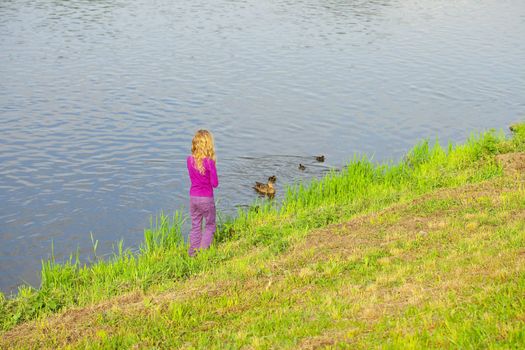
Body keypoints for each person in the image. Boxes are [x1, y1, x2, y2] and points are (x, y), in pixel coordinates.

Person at [186, 129, 219, 256]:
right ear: (209, 145)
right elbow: (215, 184)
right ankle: (203, 253)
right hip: (206, 198)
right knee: (210, 225)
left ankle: (192, 254)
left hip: (193, 198)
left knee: (195, 226)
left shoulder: (189, 160)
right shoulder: (209, 162)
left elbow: (194, 177)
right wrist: (213, 167)